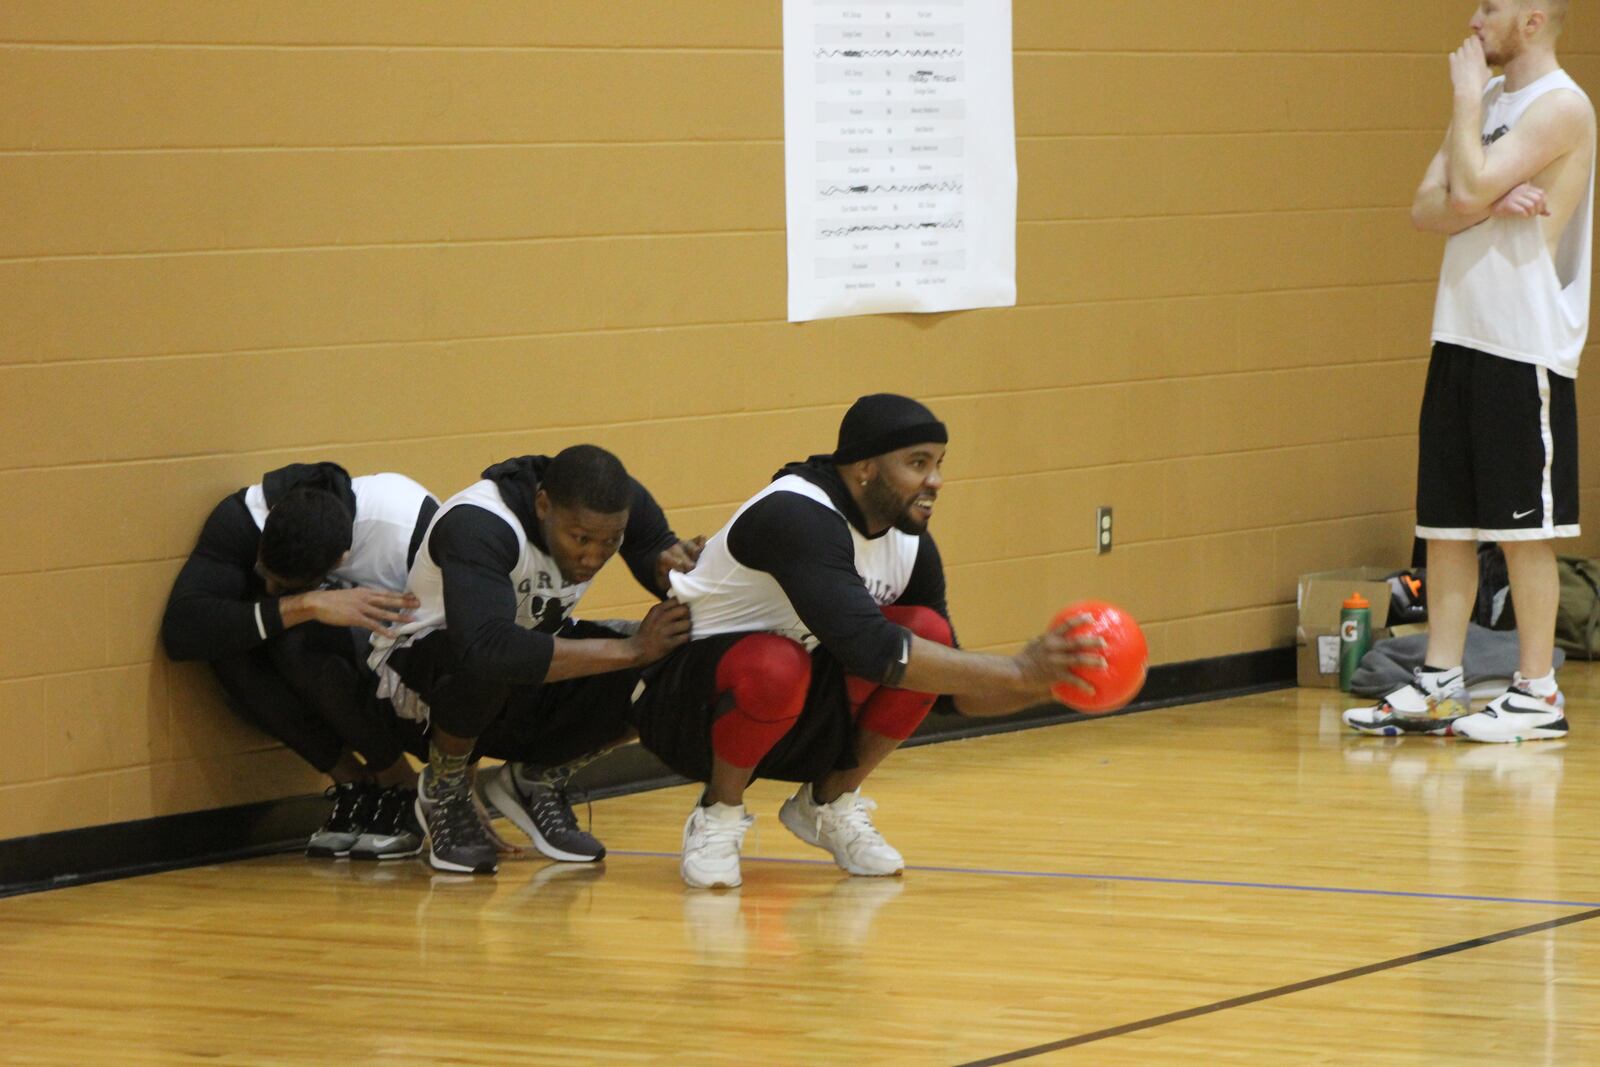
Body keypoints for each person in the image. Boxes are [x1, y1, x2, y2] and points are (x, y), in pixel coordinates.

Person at [629, 394, 1107, 889]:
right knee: (777, 662)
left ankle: (828, 803)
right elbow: (872, 649)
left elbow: (947, 691)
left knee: (929, 635)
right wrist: (1020, 669)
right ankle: (718, 813)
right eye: (918, 463)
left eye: (939, 464)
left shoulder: (910, 544)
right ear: (864, 468)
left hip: (796, 714)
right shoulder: (797, 514)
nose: (935, 481)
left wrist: (1055, 684)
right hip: (686, 712)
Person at [1346, 0, 1592, 743]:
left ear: (1534, 20)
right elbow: (1429, 208)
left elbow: (1462, 188)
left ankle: (1537, 691)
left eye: (1492, 6)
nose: (1475, 18)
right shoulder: (1486, 99)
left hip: (1522, 342)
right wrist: (1483, 199)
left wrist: (1467, 144)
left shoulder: (1562, 106)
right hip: (1460, 331)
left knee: (1524, 532)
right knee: (1446, 526)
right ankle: (1440, 681)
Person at [369, 446, 700, 875]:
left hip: (521, 680)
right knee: (498, 656)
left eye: (609, 542)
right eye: (580, 539)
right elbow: (485, 647)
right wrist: (631, 649)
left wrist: (691, 575)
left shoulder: (616, 503)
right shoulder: (480, 523)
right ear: (543, 505)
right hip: (419, 696)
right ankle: (445, 788)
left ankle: (538, 777)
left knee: (678, 655)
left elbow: (656, 551)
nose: (593, 557)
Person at [162, 463, 437, 859]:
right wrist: (306, 602)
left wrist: (455, 781)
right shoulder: (245, 516)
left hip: (410, 681)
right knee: (243, 642)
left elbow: (468, 650)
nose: (269, 586)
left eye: (285, 584)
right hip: (337, 677)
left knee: (302, 641)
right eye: (263, 572)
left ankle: (400, 783)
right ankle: (355, 783)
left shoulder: (406, 525)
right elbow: (180, 632)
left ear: (340, 560)